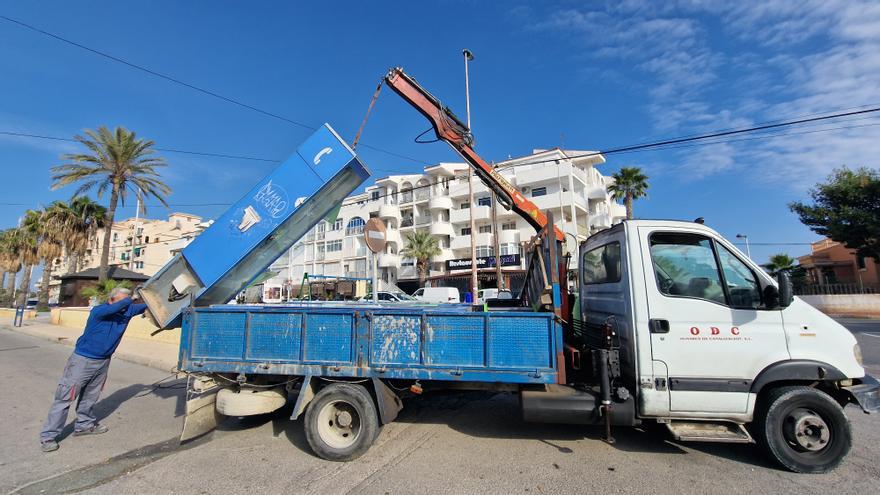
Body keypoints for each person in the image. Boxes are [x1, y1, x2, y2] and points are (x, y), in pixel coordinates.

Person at [39, 287, 147, 452]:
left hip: (103, 362)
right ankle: (48, 436)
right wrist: (132, 298)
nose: (126, 305)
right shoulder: (100, 311)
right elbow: (118, 307)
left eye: (127, 302)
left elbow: (146, 306)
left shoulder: (126, 310)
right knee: (65, 397)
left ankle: (84, 425)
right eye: (122, 301)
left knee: (90, 397)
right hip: (82, 361)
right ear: (111, 299)